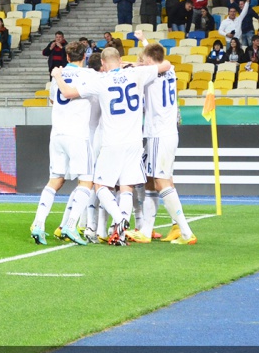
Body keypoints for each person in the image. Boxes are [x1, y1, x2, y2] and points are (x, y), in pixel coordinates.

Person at [53, 46, 173, 244]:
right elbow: (166, 65)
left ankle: (118, 220)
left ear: (102, 63)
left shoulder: (101, 80)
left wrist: (58, 76)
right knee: (126, 187)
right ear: (120, 59)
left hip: (112, 142)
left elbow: (66, 92)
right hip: (134, 141)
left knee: (100, 185)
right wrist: (134, 65)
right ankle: (121, 233)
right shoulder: (137, 73)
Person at [31, 41, 97, 246]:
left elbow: (53, 100)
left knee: (55, 181)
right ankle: (70, 224)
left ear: (67, 57)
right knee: (86, 181)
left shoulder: (56, 76)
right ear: (84, 56)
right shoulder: (88, 75)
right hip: (77, 135)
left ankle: (38, 224)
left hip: (57, 134)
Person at [135, 35, 196, 245]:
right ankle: (147, 230)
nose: (142, 62)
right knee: (151, 179)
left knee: (161, 182)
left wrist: (130, 64)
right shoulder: (170, 70)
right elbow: (157, 56)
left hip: (158, 134)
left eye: (144, 59)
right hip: (168, 133)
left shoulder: (150, 75)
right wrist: (144, 41)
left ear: (149, 60)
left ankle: (186, 232)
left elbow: (145, 65)